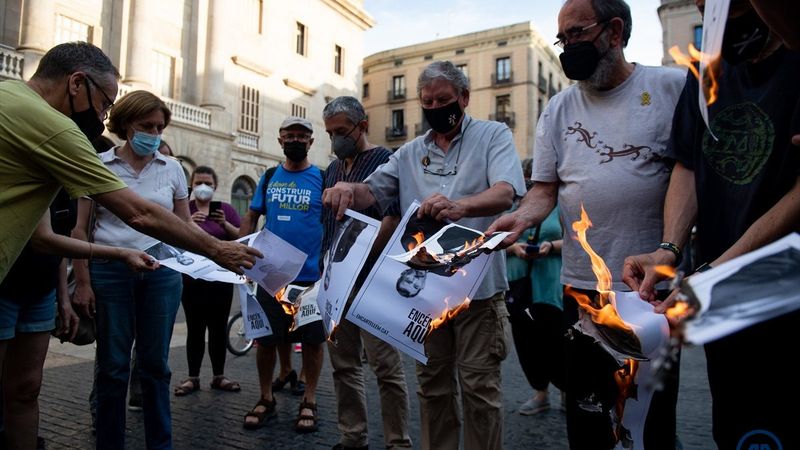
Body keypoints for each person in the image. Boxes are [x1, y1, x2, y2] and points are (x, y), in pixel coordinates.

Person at [486, 0, 685, 447]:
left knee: (650, 422)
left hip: (650, 294)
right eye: (562, 39)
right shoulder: (558, 108)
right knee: (588, 418)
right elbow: (543, 190)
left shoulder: (673, 88)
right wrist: (517, 220)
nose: (567, 48)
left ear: (614, 32)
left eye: (576, 34)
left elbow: (691, 176)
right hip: (583, 293)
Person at [622, 1, 800, 448]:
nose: (711, 12)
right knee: (739, 428)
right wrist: (669, 250)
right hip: (727, 295)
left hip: (786, 285)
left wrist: (719, 269)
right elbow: (691, 162)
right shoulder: (704, 69)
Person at [324, 60, 526, 450]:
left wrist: (459, 206)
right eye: (427, 101)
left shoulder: (493, 135)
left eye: (444, 100)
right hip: (424, 293)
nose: (435, 107)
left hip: (479, 292)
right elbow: (373, 191)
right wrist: (350, 190)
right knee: (432, 388)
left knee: (480, 390)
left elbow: (506, 192)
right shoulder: (409, 152)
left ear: (464, 98)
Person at [0, 41, 258, 284]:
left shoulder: (9, 92)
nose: (101, 117)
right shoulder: (57, 130)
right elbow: (138, 213)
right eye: (104, 105)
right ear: (76, 83)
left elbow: (40, 234)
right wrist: (217, 249)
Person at [70, 90, 189, 450]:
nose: (153, 132)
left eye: (159, 126)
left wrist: (219, 255)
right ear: (125, 124)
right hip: (110, 273)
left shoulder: (173, 169)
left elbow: (185, 227)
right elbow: (81, 229)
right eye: (145, 125)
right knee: (113, 367)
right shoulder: (99, 165)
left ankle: (160, 444)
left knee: (156, 367)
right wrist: (83, 283)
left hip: (161, 275)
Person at [0, 188, 156, 449]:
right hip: (4, 287)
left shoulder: (64, 189)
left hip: (39, 290)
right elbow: (45, 239)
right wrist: (119, 252)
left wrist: (62, 297)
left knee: (27, 389)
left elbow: (58, 247)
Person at [321, 96, 412, 450]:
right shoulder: (332, 169)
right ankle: (352, 436)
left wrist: (360, 258)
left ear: (363, 126)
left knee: (386, 369)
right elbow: (327, 223)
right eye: (329, 133)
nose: (335, 140)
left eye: (341, 131)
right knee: (344, 366)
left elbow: (393, 217)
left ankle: (397, 442)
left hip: (372, 281)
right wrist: (328, 267)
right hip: (336, 282)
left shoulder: (385, 161)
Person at [239, 117, 326, 433]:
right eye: (290, 135)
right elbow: (251, 216)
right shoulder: (270, 176)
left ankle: (310, 400)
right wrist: (238, 252)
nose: (296, 140)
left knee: (313, 341)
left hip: (310, 278)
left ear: (311, 142)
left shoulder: (322, 178)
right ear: (279, 140)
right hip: (270, 275)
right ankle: (265, 397)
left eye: (302, 136)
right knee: (265, 339)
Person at [503, 159, 565, 416]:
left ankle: (566, 390)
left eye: (534, 178)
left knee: (557, 339)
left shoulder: (560, 205)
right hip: (518, 281)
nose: (530, 183)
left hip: (549, 284)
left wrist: (551, 247)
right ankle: (540, 393)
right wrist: (513, 247)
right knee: (526, 341)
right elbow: (494, 238)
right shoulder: (512, 206)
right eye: (527, 178)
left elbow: (576, 240)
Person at [174, 166, 242, 397]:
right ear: (191, 186)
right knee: (194, 328)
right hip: (192, 280)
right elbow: (173, 235)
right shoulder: (185, 210)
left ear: (215, 187)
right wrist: (188, 221)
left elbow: (241, 237)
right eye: (199, 182)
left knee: (218, 328)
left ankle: (218, 376)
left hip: (221, 280)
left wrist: (224, 224)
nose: (204, 187)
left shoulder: (227, 210)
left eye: (208, 183)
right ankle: (193, 377)